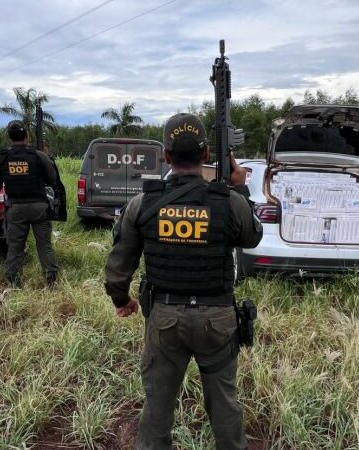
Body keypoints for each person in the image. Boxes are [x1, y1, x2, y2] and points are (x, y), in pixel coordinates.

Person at [105, 113, 263, 449]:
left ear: (165, 156)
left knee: (157, 406)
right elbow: (253, 237)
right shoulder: (228, 202)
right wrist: (239, 185)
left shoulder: (142, 202)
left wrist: (122, 300)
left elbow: (119, 264)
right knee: (225, 405)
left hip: (164, 319)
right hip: (218, 319)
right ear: (206, 155)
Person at [0, 120, 60, 287]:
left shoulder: (1, 159)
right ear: (27, 136)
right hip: (39, 208)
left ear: (9, 137)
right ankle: (51, 281)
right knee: (45, 246)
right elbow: (53, 180)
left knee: (15, 247)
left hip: (16, 209)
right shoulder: (39, 156)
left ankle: (14, 282)